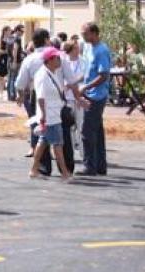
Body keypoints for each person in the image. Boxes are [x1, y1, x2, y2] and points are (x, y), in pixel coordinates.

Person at [30, 47, 73, 181]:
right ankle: (64, 172)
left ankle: (34, 169)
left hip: (53, 113)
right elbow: (41, 97)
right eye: (57, 58)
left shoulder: (51, 73)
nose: (59, 60)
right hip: (50, 115)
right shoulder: (43, 75)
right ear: (49, 60)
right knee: (57, 144)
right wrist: (43, 115)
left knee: (43, 142)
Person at [15, 28, 52, 172]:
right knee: (59, 127)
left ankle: (43, 164)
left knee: (39, 127)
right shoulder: (57, 55)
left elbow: (20, 83)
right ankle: (66, 165)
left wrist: (20, 95)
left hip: (36, 94)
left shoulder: (30, 59)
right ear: (46, 40)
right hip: (55, 95)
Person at [77, 22, 111, 177]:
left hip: (96, 95)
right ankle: (100, 165)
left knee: (87, 131)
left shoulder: (101, 51)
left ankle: (89, 166)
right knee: (96, 131)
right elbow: (86, 71)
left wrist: (86, 86)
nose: (83, 36)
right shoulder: (88, 48)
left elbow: (103, 75)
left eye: (85, 33)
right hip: (89, 93)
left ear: (94, 33)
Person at [62, 40, 87, 157]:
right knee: (70, 126)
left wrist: (73, 82)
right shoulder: (64, 62)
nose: (78, 50)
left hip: (79, 96)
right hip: (67, 98)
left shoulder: (83, 61)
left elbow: (84, 76)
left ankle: (83, 153)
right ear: (70, 50)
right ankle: (70, 152)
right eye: (75, 48)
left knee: (81, 124)